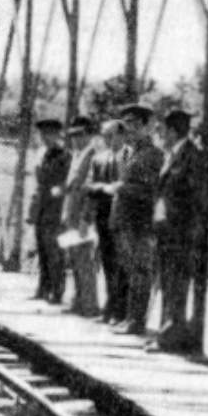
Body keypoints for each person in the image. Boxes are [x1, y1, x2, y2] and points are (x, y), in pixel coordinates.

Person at [147, 108, 206, 354]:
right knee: (169, 284)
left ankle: (171, 337)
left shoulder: (192, 156)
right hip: (167, 231)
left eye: (164, 130)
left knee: (176, 285)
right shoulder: (173, 155)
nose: (161, 135)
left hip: (181, 233)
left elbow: (194, 197)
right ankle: (166, 334)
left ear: (172, 131)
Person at [103, 104, 164, 336]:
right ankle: (129, 317)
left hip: (140, 221)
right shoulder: (128, 153)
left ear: (148, 126)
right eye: (127, 124)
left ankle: (136, 321)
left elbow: (152, 191)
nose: (130, 129)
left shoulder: (153, 154)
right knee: (129, 270)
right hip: (122, 220)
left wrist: (124, 188)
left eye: (136, 124)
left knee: (140, 270)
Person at [88, 120, 129, 324]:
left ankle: (121, 311)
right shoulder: (98, 159)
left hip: (123, 219)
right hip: (103, 219)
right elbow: (92, 186)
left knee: (123, 265)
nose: (107, 140)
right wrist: (103, 189)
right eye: (104, 136)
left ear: (122, 135)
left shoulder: (130, 156)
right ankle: (109, 307)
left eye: (110, 135)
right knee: (107, 264)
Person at [61, 116, 101, 316]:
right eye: (73, 135)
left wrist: (87, 218)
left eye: (80, 135)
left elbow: (90, 190)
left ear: (90, 134)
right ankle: (79, 300)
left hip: (82, 217)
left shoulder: (93, 155)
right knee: (75, 260)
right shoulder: (77, 155)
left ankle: (89, 304)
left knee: (85, 260)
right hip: (71, 215)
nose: (76, 139)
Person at [28, 118, 71, 303]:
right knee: (42, 249)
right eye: (43, 134)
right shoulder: (41, 154)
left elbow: (66, 183)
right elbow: (37, 182)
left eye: (49, 134)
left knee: (54, 250)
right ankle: (43, 288)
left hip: (56, 207)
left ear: (57, 135)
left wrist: (58, 194)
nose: (45, 138)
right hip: (41, 207)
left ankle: (57, 290)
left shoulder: (64, 156)